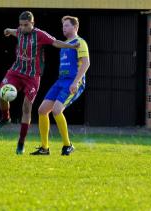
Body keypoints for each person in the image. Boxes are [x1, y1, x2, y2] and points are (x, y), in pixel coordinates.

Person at [0, 11, 79, 155]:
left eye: (26, 25)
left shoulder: (39, 35)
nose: (22, 28)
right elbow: (15, 32)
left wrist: (70, 46)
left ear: (32, 24)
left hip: (32, 76)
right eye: (20, 25)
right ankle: (5, 117)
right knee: (2, 93)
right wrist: (9, 30)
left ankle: (21, 143)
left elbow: (55, 42)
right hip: (16, 70)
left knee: (26, 107)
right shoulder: (20, 30)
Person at [30, 16, 90, 155]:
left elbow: (86, 63)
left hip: (73, 81)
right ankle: (44, 148)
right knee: (42, 110)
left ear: (76, 27)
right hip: (60, 81)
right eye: (63, 25)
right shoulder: (65, 45)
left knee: (57, 110)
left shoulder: (80, 42)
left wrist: (75, 82)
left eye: (67, 25)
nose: (64, 28)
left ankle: (68, 145)